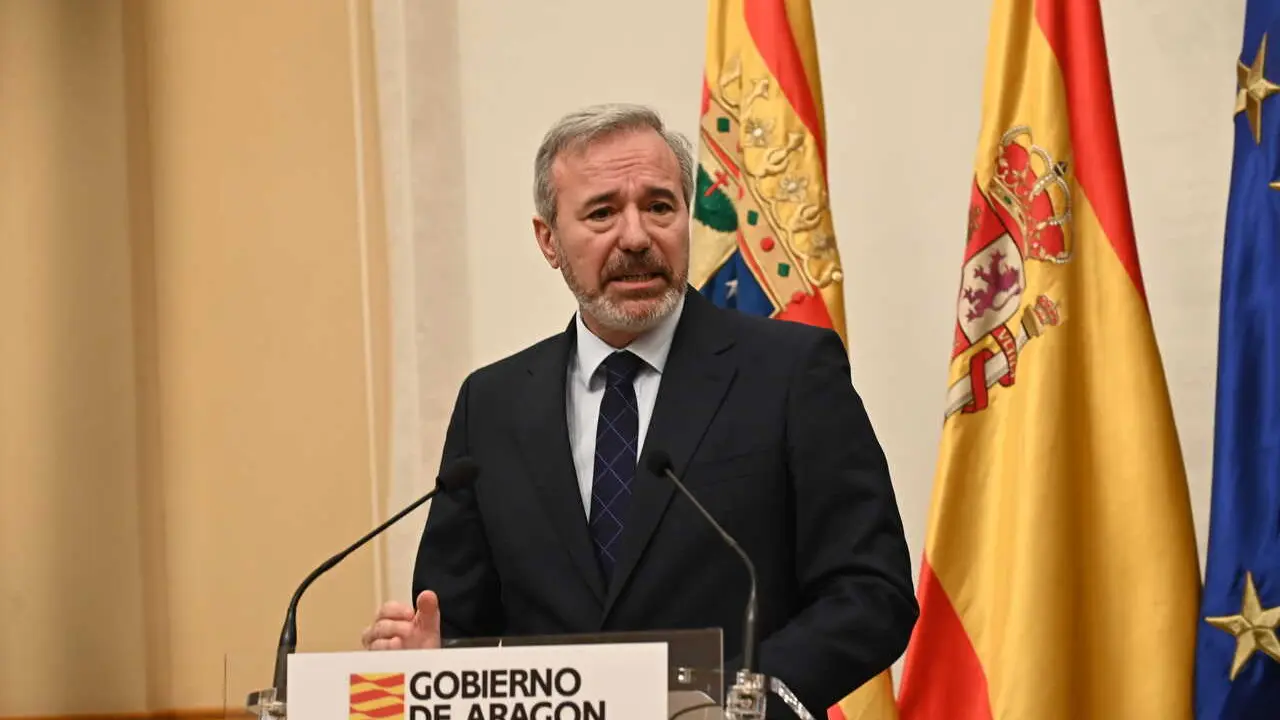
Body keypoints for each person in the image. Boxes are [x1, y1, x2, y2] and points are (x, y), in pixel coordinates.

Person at [360, 103, 917, 714]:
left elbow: (872, 592)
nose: (635, 237)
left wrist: (727, 702)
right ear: (549, 241)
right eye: (602, 212)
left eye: (659, 207)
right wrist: (431, 662)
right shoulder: (492, 404)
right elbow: (459, 620)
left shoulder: (788, 371)